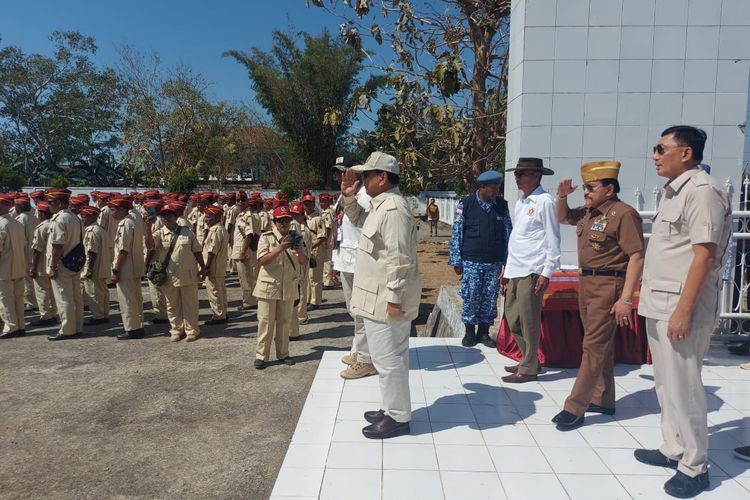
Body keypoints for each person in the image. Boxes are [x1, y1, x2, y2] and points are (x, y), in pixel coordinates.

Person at [635, 126, 732, 498]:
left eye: (661, 148)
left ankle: (695, 465)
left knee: (686, 387)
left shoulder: (703, 192)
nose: (655, 155)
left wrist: (684, 310)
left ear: (686, 153)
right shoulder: (674, 191)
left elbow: (704, 256)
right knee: (665, 383)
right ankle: (673, 447)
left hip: (680, 308)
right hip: (658, 303)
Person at [553, 161, 645, 429]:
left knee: (592, 347)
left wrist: (626, 298)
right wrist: (561, 197)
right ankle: (603, 398)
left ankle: (575, 406)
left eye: (590, 187)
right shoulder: (589, 212)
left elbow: (637, 256)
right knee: (599, 345)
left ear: (609, 188)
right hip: (587, 283)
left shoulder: (623, 214)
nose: (586, 192)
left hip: (609, 285)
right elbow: (562, 217)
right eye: (584, 187)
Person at [340, 151, 421, 439]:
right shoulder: (380, 206)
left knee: (389, 361)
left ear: (383, 178)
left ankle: (398, 418)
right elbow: (358, 220)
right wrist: (349, 197)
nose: (362, 180)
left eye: (366, 176)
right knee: (389, 359)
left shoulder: (394, 209)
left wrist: (395, 299)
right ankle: (391, 408)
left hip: (385, 301)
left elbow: (400, 259)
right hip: (376, 298)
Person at [501, 158, 561, 383]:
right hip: (516, 268)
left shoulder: (544, 201)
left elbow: (553, 238)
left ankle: (529, 368)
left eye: (522, 174)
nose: (517, 178)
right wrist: (507, 268)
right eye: (517, 173)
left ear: (536, 176)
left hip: (532, 269)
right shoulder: (521, 202)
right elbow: (518, 238)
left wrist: (547, 272)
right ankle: (529, 359)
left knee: (529, 320)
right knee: (513, 316)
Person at [448, 170, 513, 348]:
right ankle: (469, 332)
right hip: (471, 261)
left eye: (498, 188)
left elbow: (509, 234)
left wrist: (509, 263)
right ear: (483, 187)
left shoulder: (501, 205)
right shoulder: (466, 204)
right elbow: (457, 232)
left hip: (494, 262)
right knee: (471, 295)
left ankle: (483, 333)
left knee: (490, 298)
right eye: (493, 188)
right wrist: (456, 260)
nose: (496, 192)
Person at [331, 157, 377, 380]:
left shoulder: (366, 196)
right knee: (354, 310)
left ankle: (366, 359)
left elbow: (363, 226)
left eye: (345, 171)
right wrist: (335, 261)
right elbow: (339, 228)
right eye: (339, 172)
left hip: (359, 261)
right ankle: (361, 351)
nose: (342, 175)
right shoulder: (344, 194)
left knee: (362, 312)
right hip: (346, 260)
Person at [253, 205, 307, 369]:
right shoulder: (266, 238)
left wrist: (299, 253)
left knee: (284, 323)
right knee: (265, 322)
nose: (284, 223)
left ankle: (283, 353)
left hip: (288, 286)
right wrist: (279, 248)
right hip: (268, 286)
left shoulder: (296, 237)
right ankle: (261, 355)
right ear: (274, 222)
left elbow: (304, 262)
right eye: (280, 220)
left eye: (287, 220)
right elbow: (262, 260)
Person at [146, 205, 205, 342]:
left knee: (190, 304)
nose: (167, 218)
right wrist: (147, 227)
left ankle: (192, 330)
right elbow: (150, 246)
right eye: (163, 215)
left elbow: (197, 251)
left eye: (170, 215)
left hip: (188, 274)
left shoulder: (187, 232)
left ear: (176, 217)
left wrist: (203, 268)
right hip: (169, 275)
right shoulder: (159, 233)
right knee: (172, 304)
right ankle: (176, 330)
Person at [46, 189, 85, 341]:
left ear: (60, 203)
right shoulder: (75, 217)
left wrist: (53, 267)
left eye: (51, 202)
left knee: (64, 298)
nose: (49, 206)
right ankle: (77, 327)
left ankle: (68, 329)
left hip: (62, 263)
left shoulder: (60, 219)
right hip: (74, 262)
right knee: (76, 297)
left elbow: (57, 246)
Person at [110, 197, 145, 340]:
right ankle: (138, 325)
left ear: (123, 209)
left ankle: (132, 328)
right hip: (134, 266)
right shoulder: (133, 221)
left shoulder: (125, 224)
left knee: (127, 300)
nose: (112, 213)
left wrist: (116, 269)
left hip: (126, 267)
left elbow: (123, 250)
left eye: (114, 209)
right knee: (136, 298)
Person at [0, 194, 27, 338]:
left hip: (4, 269)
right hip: (19, 266)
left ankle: (10, 327)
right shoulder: (17, 223)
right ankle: (20, 326)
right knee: (18, 298)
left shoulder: (1, 224)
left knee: (5, 299)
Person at [79, 205, 111, 325]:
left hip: (95, 266)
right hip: (102, 265)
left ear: (93, 216)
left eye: (85, 216)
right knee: (102, 291)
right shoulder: (100, 229)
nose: (83, 219)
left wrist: (89, 269)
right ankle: (104, 314)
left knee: (93, 292)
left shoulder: (92, 231)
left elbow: (92, 252)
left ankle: (98, 316)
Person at [29, 201, 58, 327]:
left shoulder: (41, 227)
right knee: (51, 290)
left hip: (41, 263)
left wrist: (33, 267)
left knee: (41, 291)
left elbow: (37, 249)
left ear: (41, 214)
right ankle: (53, 313)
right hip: (52, 262)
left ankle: (45, 316)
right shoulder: (54, 224)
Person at [289, 201, 313, 338]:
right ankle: (302, 315)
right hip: (302, 261)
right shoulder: (300, 225)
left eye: (296, 214)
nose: (294, 216)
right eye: (293, 214)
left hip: (299, 262)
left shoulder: (297, 226)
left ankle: (300, 316)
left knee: (300, 290)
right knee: (302, 288)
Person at [202, 205, 229, 325]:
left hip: (214, 265)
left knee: (214, 291)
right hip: (220, 265)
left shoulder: (215, 230)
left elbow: (212, 251)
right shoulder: (221, 228)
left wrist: (206, 266)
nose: (205, 219)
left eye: (208, 217)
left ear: (216, 217)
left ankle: (218, 315)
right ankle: (223, 312)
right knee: (220, 289)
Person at [14, 196, 39, 311]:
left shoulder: (21, 219)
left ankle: (30, 302)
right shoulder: (34, 218)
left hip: (25, 251)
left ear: (19, 207)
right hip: (34, 251)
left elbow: (20, 239)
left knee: (27, 278)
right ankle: (34, 300)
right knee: (33, 277)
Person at [303, 194, 327, 311]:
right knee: (307, 277)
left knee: (315, 277)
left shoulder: (318, 219)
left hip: (315, 251)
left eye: (309, 204)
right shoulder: (303, 218)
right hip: (306, 251)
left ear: (313, 204)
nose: (307, 206)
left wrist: (311, 246)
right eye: (305, 204)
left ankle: (315, 301)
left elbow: (322, 237)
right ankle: (308, 299)